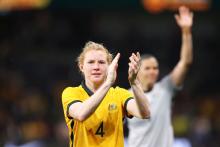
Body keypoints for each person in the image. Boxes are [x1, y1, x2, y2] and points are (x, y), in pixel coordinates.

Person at [61, 41, 151, 147]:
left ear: (109, 67)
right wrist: (108, 83)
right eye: (91, 62)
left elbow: (145, 113)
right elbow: (81, 114)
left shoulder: (119, 94)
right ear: (81, 67)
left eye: (101, 62)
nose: (96, 67)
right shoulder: (71, 93)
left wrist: (134, 82)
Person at [127, 6, 193, 147]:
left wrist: (186, 32)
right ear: (137, 71)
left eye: (155, 68)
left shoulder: (165, 88)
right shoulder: (126, 96)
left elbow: (185, 62)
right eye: (147, 68)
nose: (153, 71)